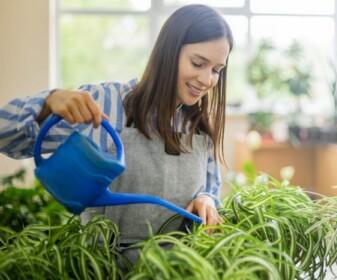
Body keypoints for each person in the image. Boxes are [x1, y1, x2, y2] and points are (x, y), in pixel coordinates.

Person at [0, 4, 233, 264]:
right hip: (103, 269)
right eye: (198, 63)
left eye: (216, 70)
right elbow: (5, 136)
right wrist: (48, 104)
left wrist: (207, 200)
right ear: (169, 52)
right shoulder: (106, 104)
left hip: (175, 270)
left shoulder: (199, 125)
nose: (206, 80)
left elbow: (211, 189)